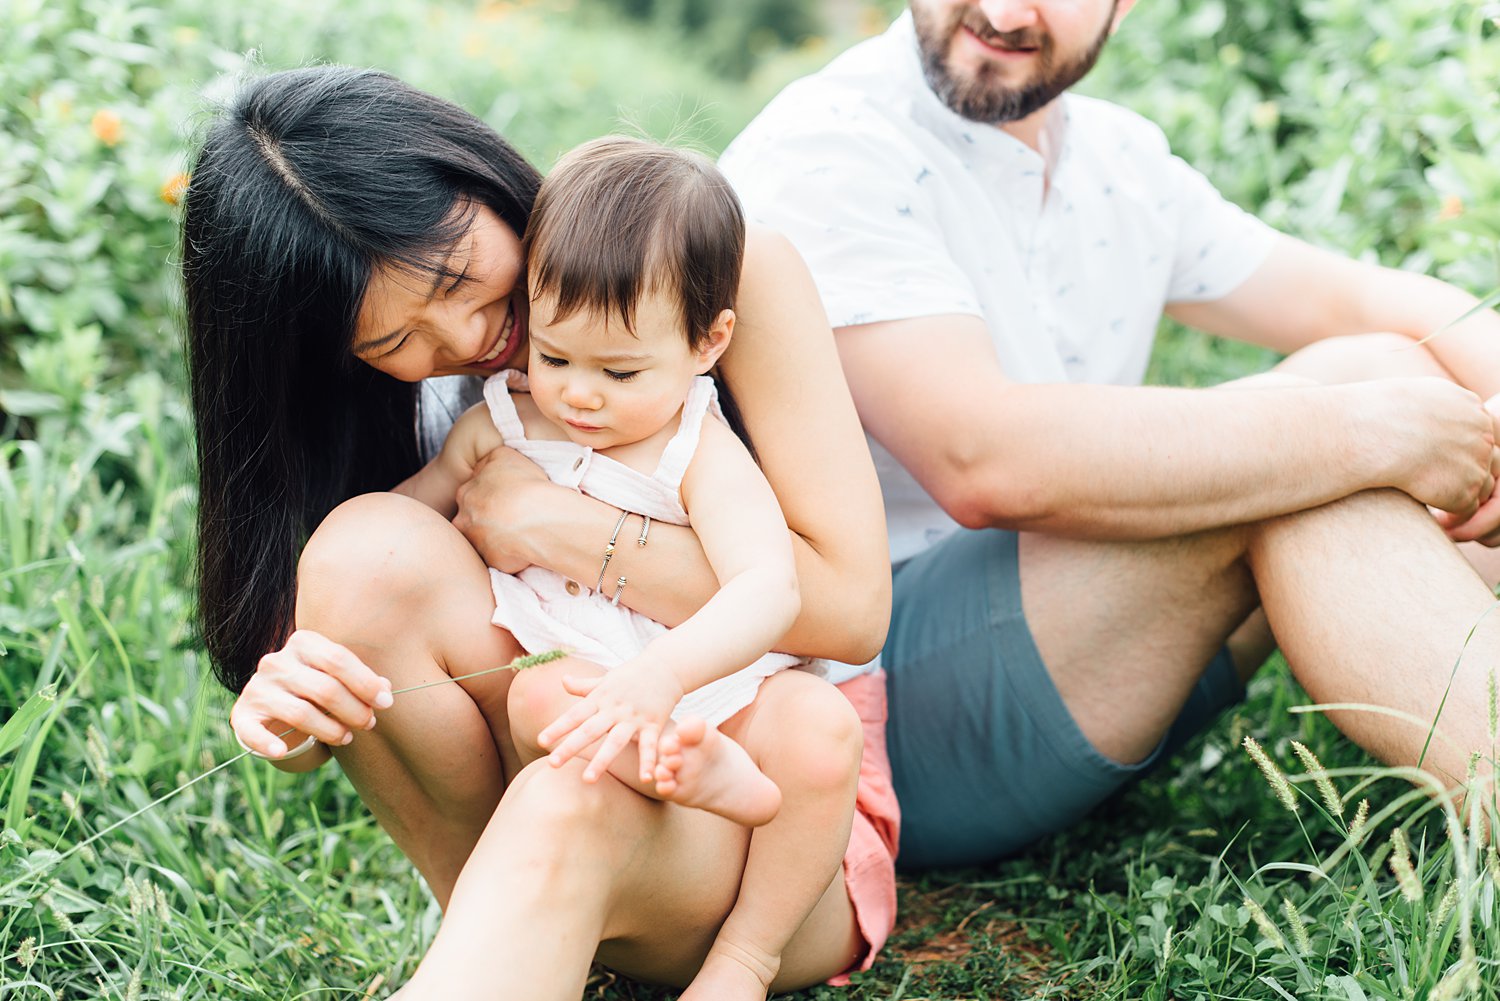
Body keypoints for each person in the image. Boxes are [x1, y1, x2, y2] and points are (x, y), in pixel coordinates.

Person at [720, 0, 1500, 868]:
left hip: (1087, 660)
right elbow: (983, 459)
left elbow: (1355, 300)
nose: (1006, 10)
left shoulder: (1117, 159)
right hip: (861, 704)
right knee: (1325, 432)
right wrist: (1362, 428)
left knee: (1381, 377)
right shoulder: (828, 148)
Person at [187, 67, 897, 998]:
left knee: (576, 785)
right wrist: (291, 706)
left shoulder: (710, 273)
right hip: (571, 739)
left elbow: (849, 614)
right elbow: (367, 665)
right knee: (371, 550)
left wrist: (562, 528)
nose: (471, 334)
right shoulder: (441, 409)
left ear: (478, 178)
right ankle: (510, 935)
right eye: (388, 342)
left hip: (772, 811)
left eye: (457, 276)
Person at [396, 134, 872, 999]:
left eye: (618, 370)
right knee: (544, 694)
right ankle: (674, 772)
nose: (578, 393)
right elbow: (410, 518)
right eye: (555, 355)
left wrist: (665, 673)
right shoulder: (505, 418)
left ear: (707, 340)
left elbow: (770, 585)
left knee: (821, 727)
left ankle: (745, 957)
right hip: (588, 687)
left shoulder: (698, 448)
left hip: (713, 686)